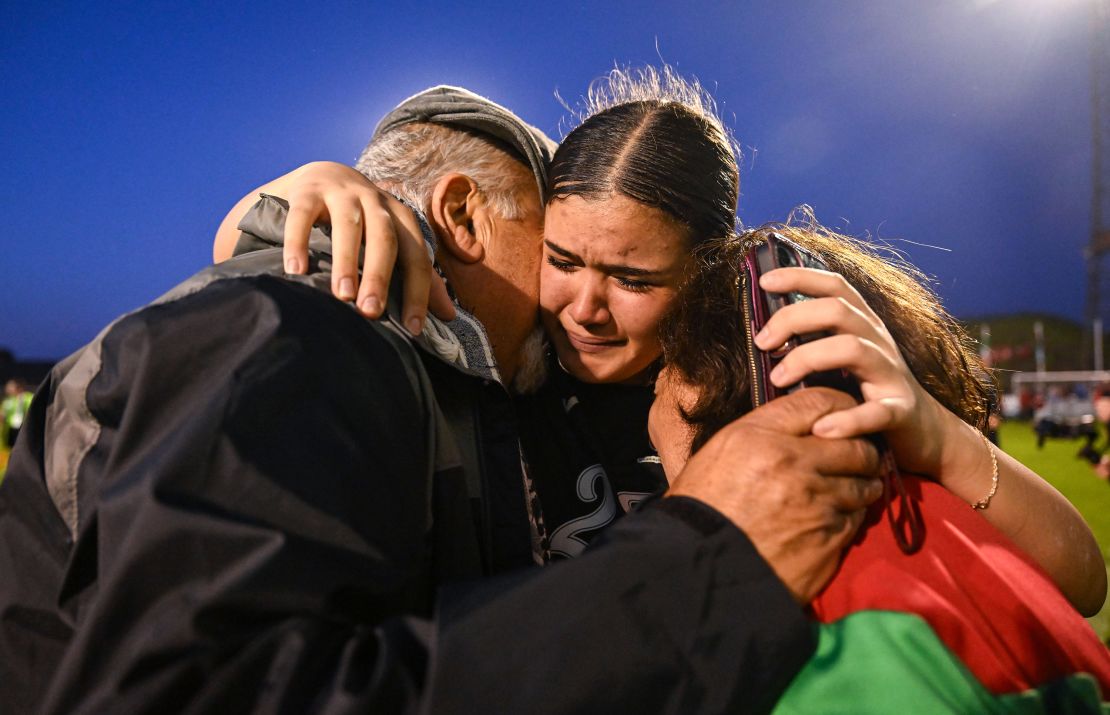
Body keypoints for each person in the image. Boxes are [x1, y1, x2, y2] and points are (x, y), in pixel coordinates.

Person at [0, 85, 884, 714]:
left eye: (628, 272)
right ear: (460, 217)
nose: (566, 301)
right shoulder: (300, 332)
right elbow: (198, 689)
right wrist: (698, 557)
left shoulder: (462, 388)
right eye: (555, 250)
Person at [263, 67, 1105, 615]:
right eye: (562, 259)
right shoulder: (513, 363)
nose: (584, 307)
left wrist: (931, 429)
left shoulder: (735, 388)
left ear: (705, 276)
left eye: (633, 281)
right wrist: (314, 190)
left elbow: (1081, 578)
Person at [649, 223, 1110, 711]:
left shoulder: (816, 638)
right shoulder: (950, 514)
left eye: (668, 361)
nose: (656, 384)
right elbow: (1086, 581)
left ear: (707, 381)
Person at [1, 378, 32, 449]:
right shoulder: (8, 401)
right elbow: (3, 415)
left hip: (23, 427)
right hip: (10, 428)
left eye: (10, 387)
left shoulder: (27, 397)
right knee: (10, 447)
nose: (8, 388)